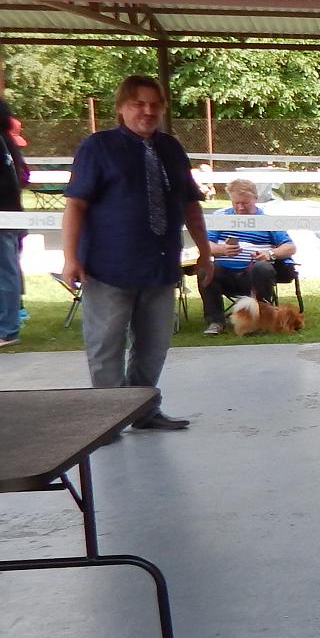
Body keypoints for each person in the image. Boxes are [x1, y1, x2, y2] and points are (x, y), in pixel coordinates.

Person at [62, 74, 214, 430]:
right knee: (106, 346)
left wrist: (205, 252)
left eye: (154, 104)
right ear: (120, 108)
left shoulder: (172, 148)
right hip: (108, 266)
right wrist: (70, 258)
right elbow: (75, 206)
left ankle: (142, 410)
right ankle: (107, 420)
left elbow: (191, 205)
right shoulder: (97, 147)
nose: (147, 111)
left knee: (154, 345)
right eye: (138, 103)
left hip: (160, 267)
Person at [198, 177, 298, 335]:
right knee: (206, 271)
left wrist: (270, 253)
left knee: (263, 268)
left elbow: (290, 247)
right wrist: (222, 249)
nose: (240, 207)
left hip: (253, 276)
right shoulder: (220, 217)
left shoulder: (267, 221)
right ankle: (215, 321)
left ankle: (259, 320)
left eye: (245, 203)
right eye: (236, 203)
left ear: (255, 199)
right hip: (225, 274)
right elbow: (205, 246)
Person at [0, 99, 28, 349]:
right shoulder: (7, 140)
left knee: (5, 273)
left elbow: (11, 182)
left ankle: (8, 330)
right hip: (11, 214)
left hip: (4, 217)